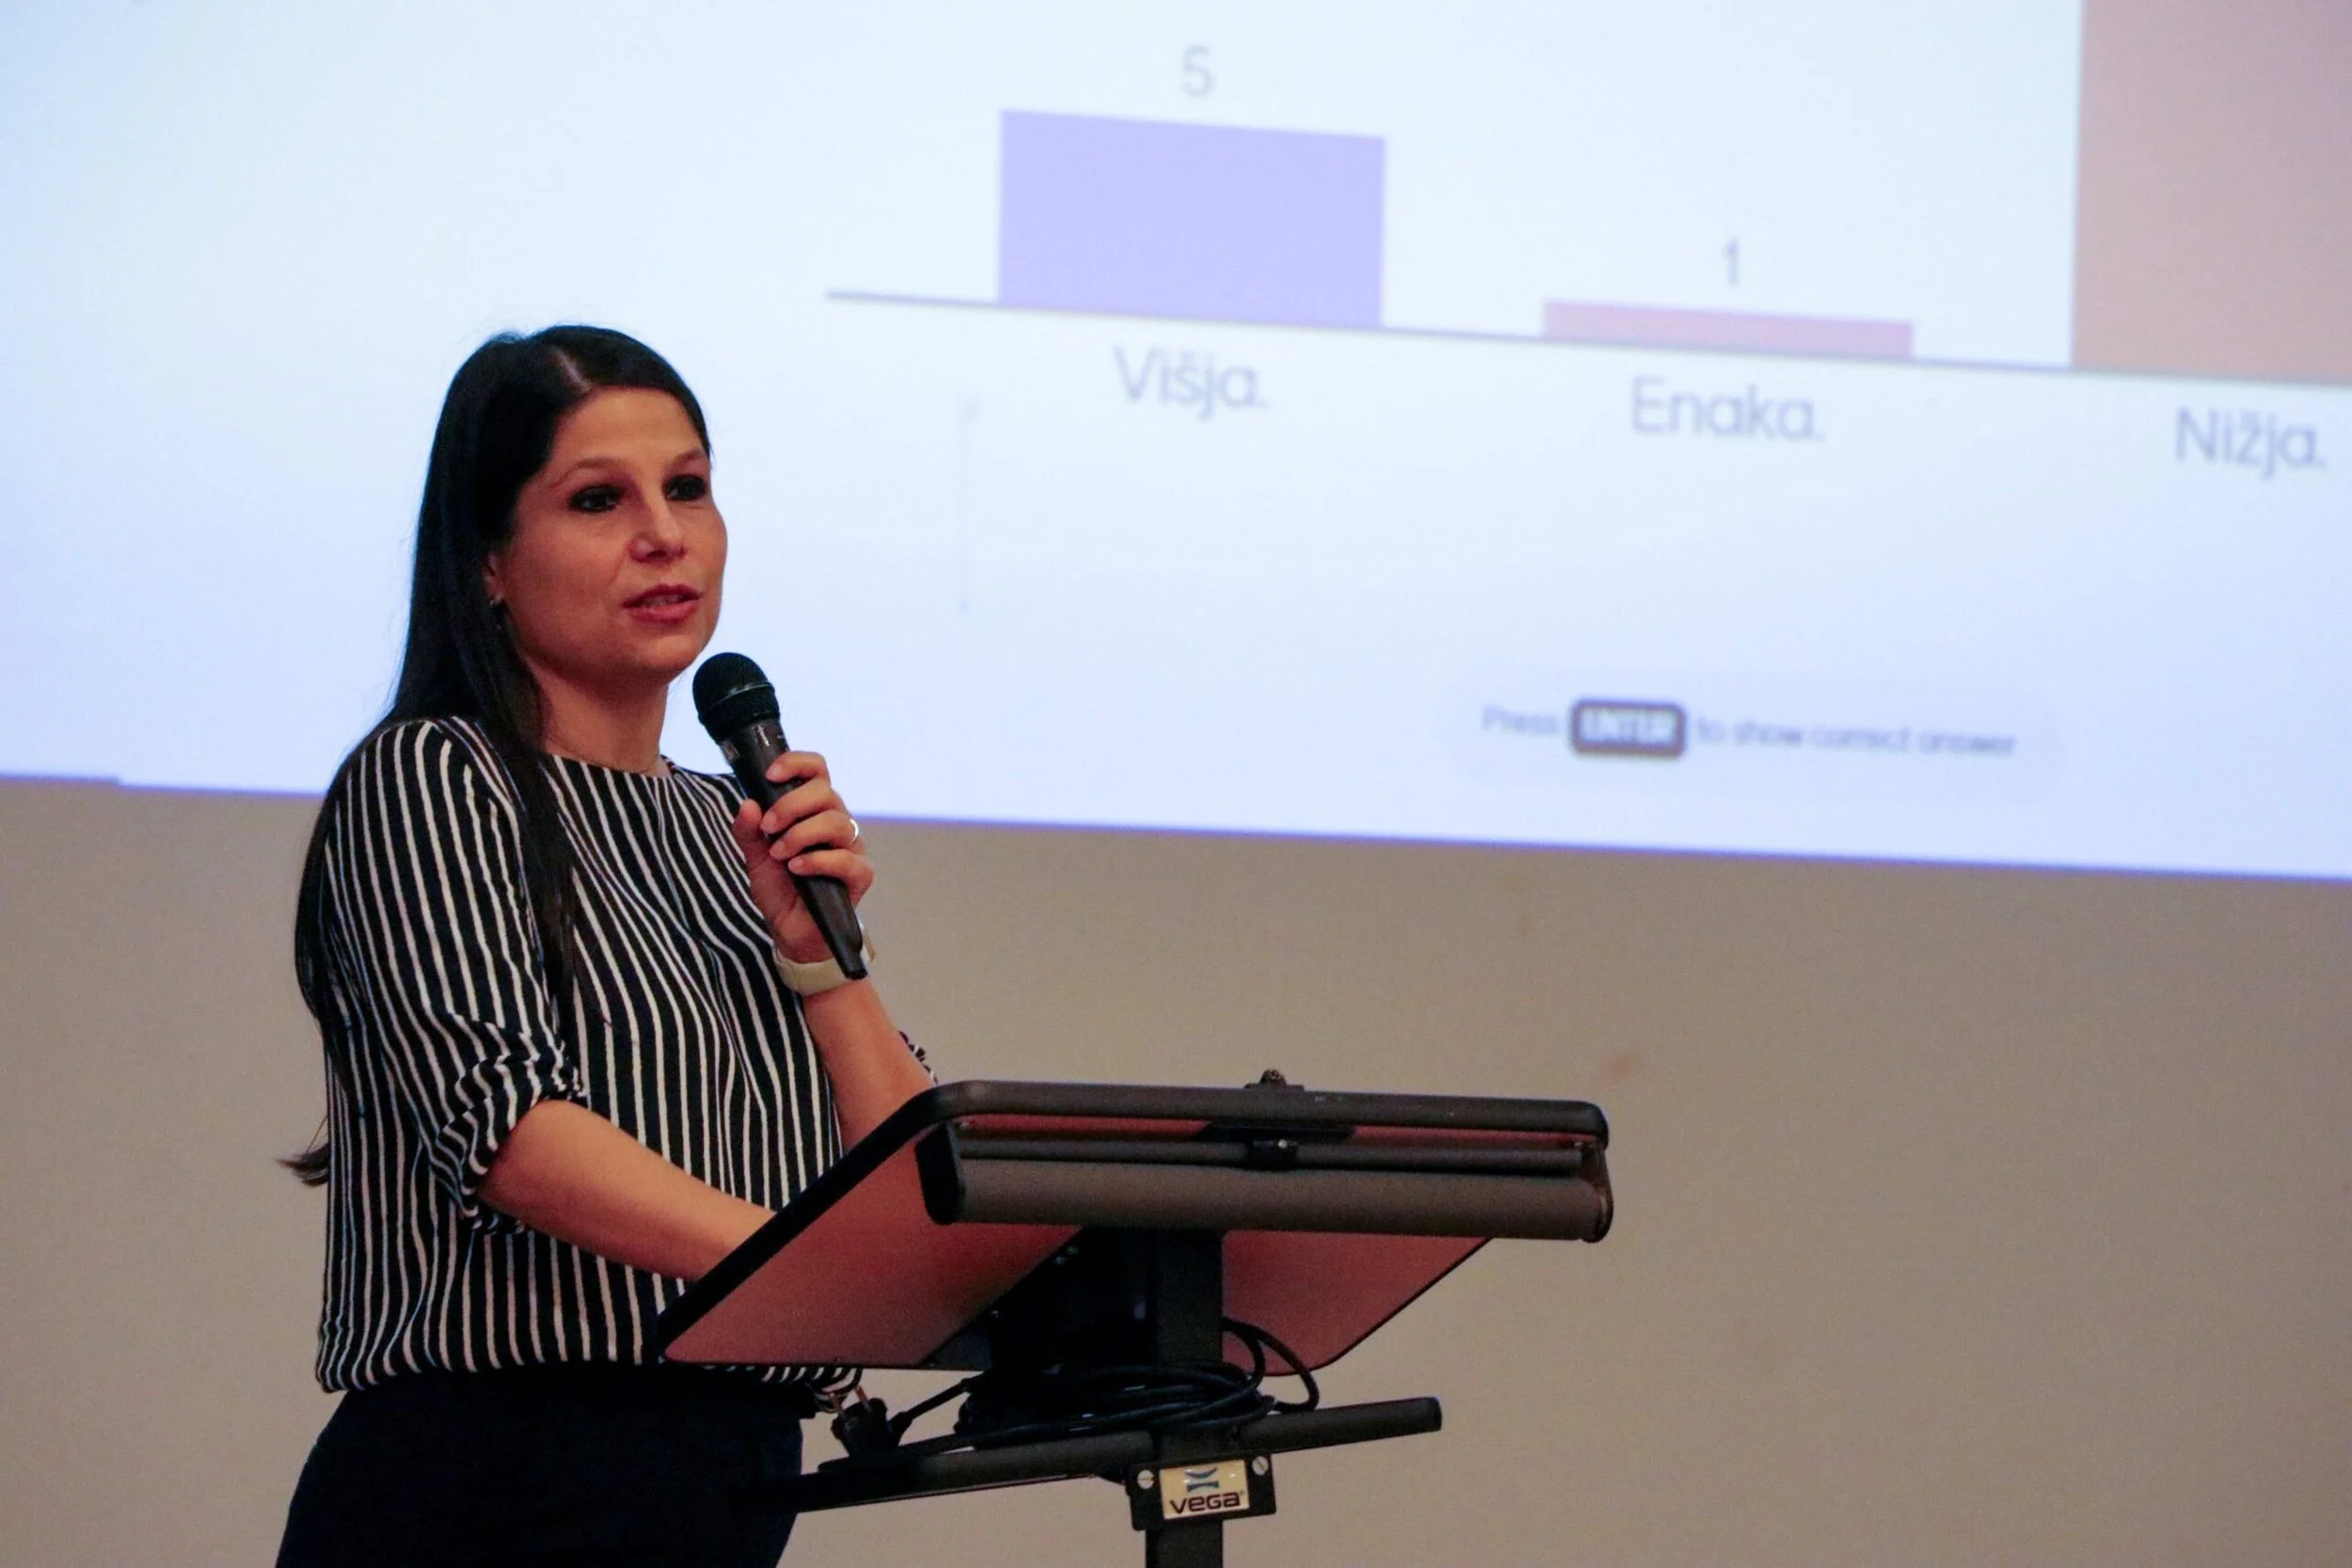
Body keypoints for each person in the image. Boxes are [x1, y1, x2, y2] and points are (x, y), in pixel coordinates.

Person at [274, 325, 932, 1567]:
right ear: (487, 563)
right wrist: (801, 1272)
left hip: (729, 1469)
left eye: (688, 487)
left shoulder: (729, 823)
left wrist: (821, 963)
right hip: (502, 1479)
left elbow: (914, 1175)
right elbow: (509, 1130)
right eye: (598, 499)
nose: (664, 534)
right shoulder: (435, 775)